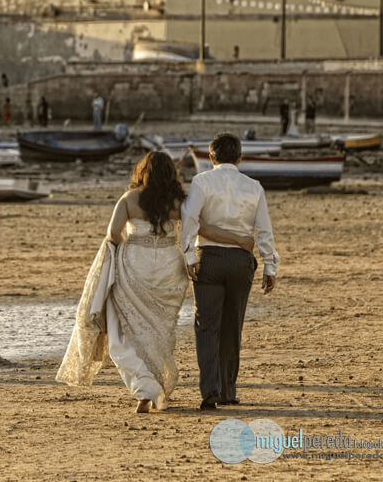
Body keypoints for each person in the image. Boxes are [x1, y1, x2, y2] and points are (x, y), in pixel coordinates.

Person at [57, 151, 253, 412]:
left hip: (135, 265)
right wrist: (239, 240)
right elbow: (202, 229)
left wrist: (126, 247)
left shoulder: (129, 198)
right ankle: (152, 384)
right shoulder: (177, 202)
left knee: (123, 332)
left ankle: (145, 387)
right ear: (170, 174)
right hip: (168, 269)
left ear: (142, 172)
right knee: (157, 333)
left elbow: (113, 234)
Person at [180, 132, 280, 411]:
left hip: (208, 259)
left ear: (211, 157)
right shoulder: (254, 186)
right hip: (240, 262)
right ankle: (228, 390)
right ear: (240, 157)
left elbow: (189, 219)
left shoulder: (201, 181)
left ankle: (210, 391)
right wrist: (270, 265)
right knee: (232, 327)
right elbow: (264, 230)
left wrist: (188, 256)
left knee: (207, 326)